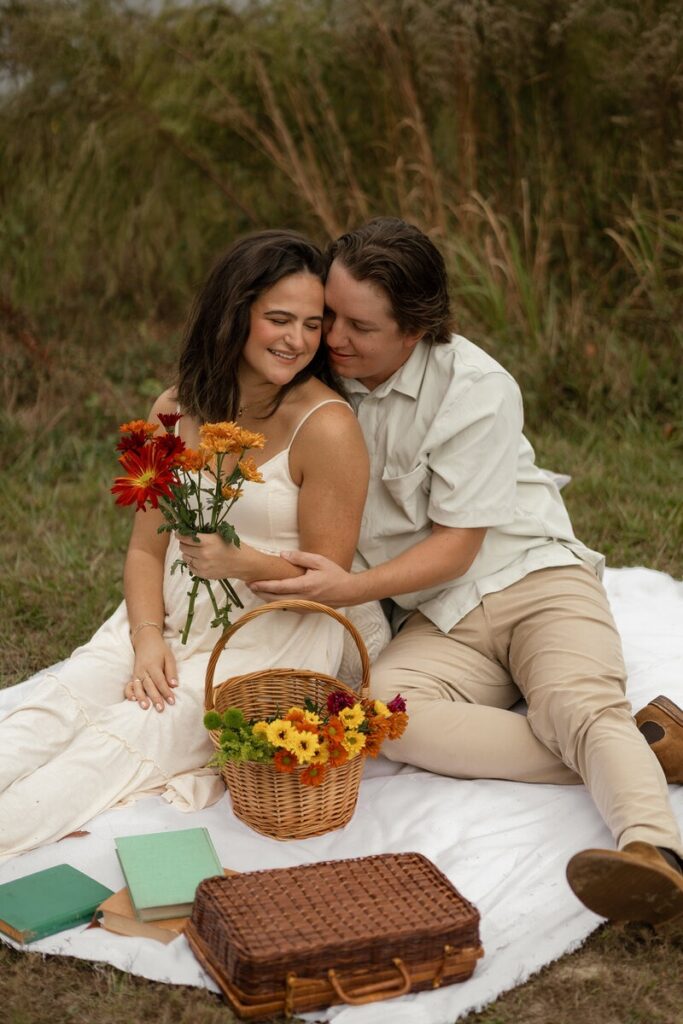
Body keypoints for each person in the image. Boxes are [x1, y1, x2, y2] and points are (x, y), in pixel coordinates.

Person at [251, 217, 683, 926]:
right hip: (438, 614)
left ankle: (652, 856)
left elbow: (456, 547)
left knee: (573, 701)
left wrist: (347, 588)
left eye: (359, 326)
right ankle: (640, 752)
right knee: (385, 716)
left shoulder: (475, 387)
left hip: (532, 579)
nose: (332, 338)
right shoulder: (323, 375)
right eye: (329, 314)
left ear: (415, 329)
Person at [0, 229, 388, 862]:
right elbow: (146, 552)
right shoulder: (177, 410)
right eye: (279, 319)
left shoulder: (328, 427)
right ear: (236, 315)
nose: (297, 339)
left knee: (122, 738)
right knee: (55, 708)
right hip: (173, 608)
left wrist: (243, 562)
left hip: (274, 630)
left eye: (313, 325)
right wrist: (146, 637)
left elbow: (327, 582)